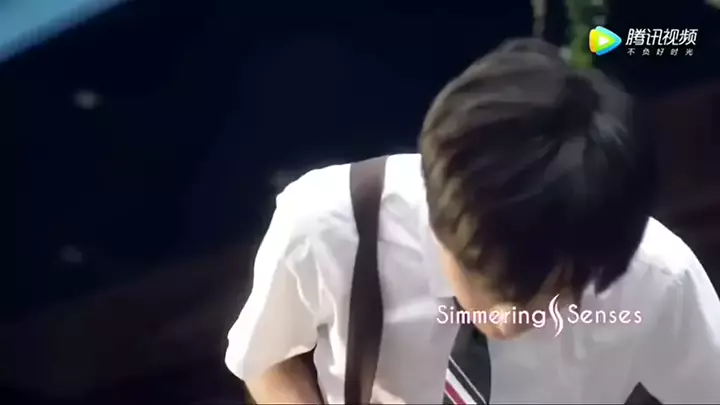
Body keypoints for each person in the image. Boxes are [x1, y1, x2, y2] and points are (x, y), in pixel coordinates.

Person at [224, 38, 720, 403]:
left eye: (548, 293)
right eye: (486, 278)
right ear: (438, 214)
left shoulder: (657, 277)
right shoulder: (330, 224)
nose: (508, 320)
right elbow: (267, 356)